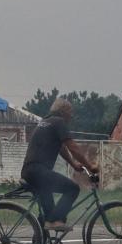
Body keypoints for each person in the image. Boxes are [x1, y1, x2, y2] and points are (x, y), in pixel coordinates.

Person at [21, 98, 98, 232]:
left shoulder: (45, 121)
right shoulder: (59, 122)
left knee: (47, 214)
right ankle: (56, 221)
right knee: (72, 189)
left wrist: (73, 164)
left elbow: (62, 148)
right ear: (63, 111)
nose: (72, 115)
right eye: (71, 112)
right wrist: (90, 166)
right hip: (39, 171)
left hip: (30, 171)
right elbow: (73, 147)